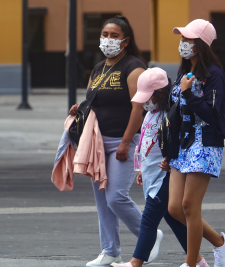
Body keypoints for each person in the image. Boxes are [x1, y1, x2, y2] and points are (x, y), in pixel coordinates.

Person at [68, 15, 150, 267]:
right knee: (102, 198)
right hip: (98, 143)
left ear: (125, 41)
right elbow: (92, 102)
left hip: (123, 141)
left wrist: (127, 142)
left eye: (114, 36)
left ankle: (148, 238)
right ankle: (110, 251)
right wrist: (78, 109)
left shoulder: (134, 66)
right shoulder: (98, 68)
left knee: (116, 196)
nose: (108, 40)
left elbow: (139, 109)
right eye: (105, 34)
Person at [159, 19, 225, 267]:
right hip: (182, 144)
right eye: (182, 39)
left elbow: (214, 115)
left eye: (189, 39)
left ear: (201, 44)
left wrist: (188, 93)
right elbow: (175, 113)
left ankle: (192, 263)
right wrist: (168, 150)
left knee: (189, 206)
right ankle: (222, 243)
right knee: (174, 208)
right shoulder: (183, 71)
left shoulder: (215, 75)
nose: (183, 44)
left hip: (205, 143)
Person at [112, 68, 208, 267]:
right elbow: (145, 143)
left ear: (161, 94)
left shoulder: (170, 115)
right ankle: (198, 260)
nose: (144, 102)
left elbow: (177, 143)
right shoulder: (150, 113)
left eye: (148, 97)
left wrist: (169, 160)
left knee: (148, 220)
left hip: (166, 176)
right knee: (173, 219)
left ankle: (135, 263)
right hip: (151, 174)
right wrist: (140, 169)